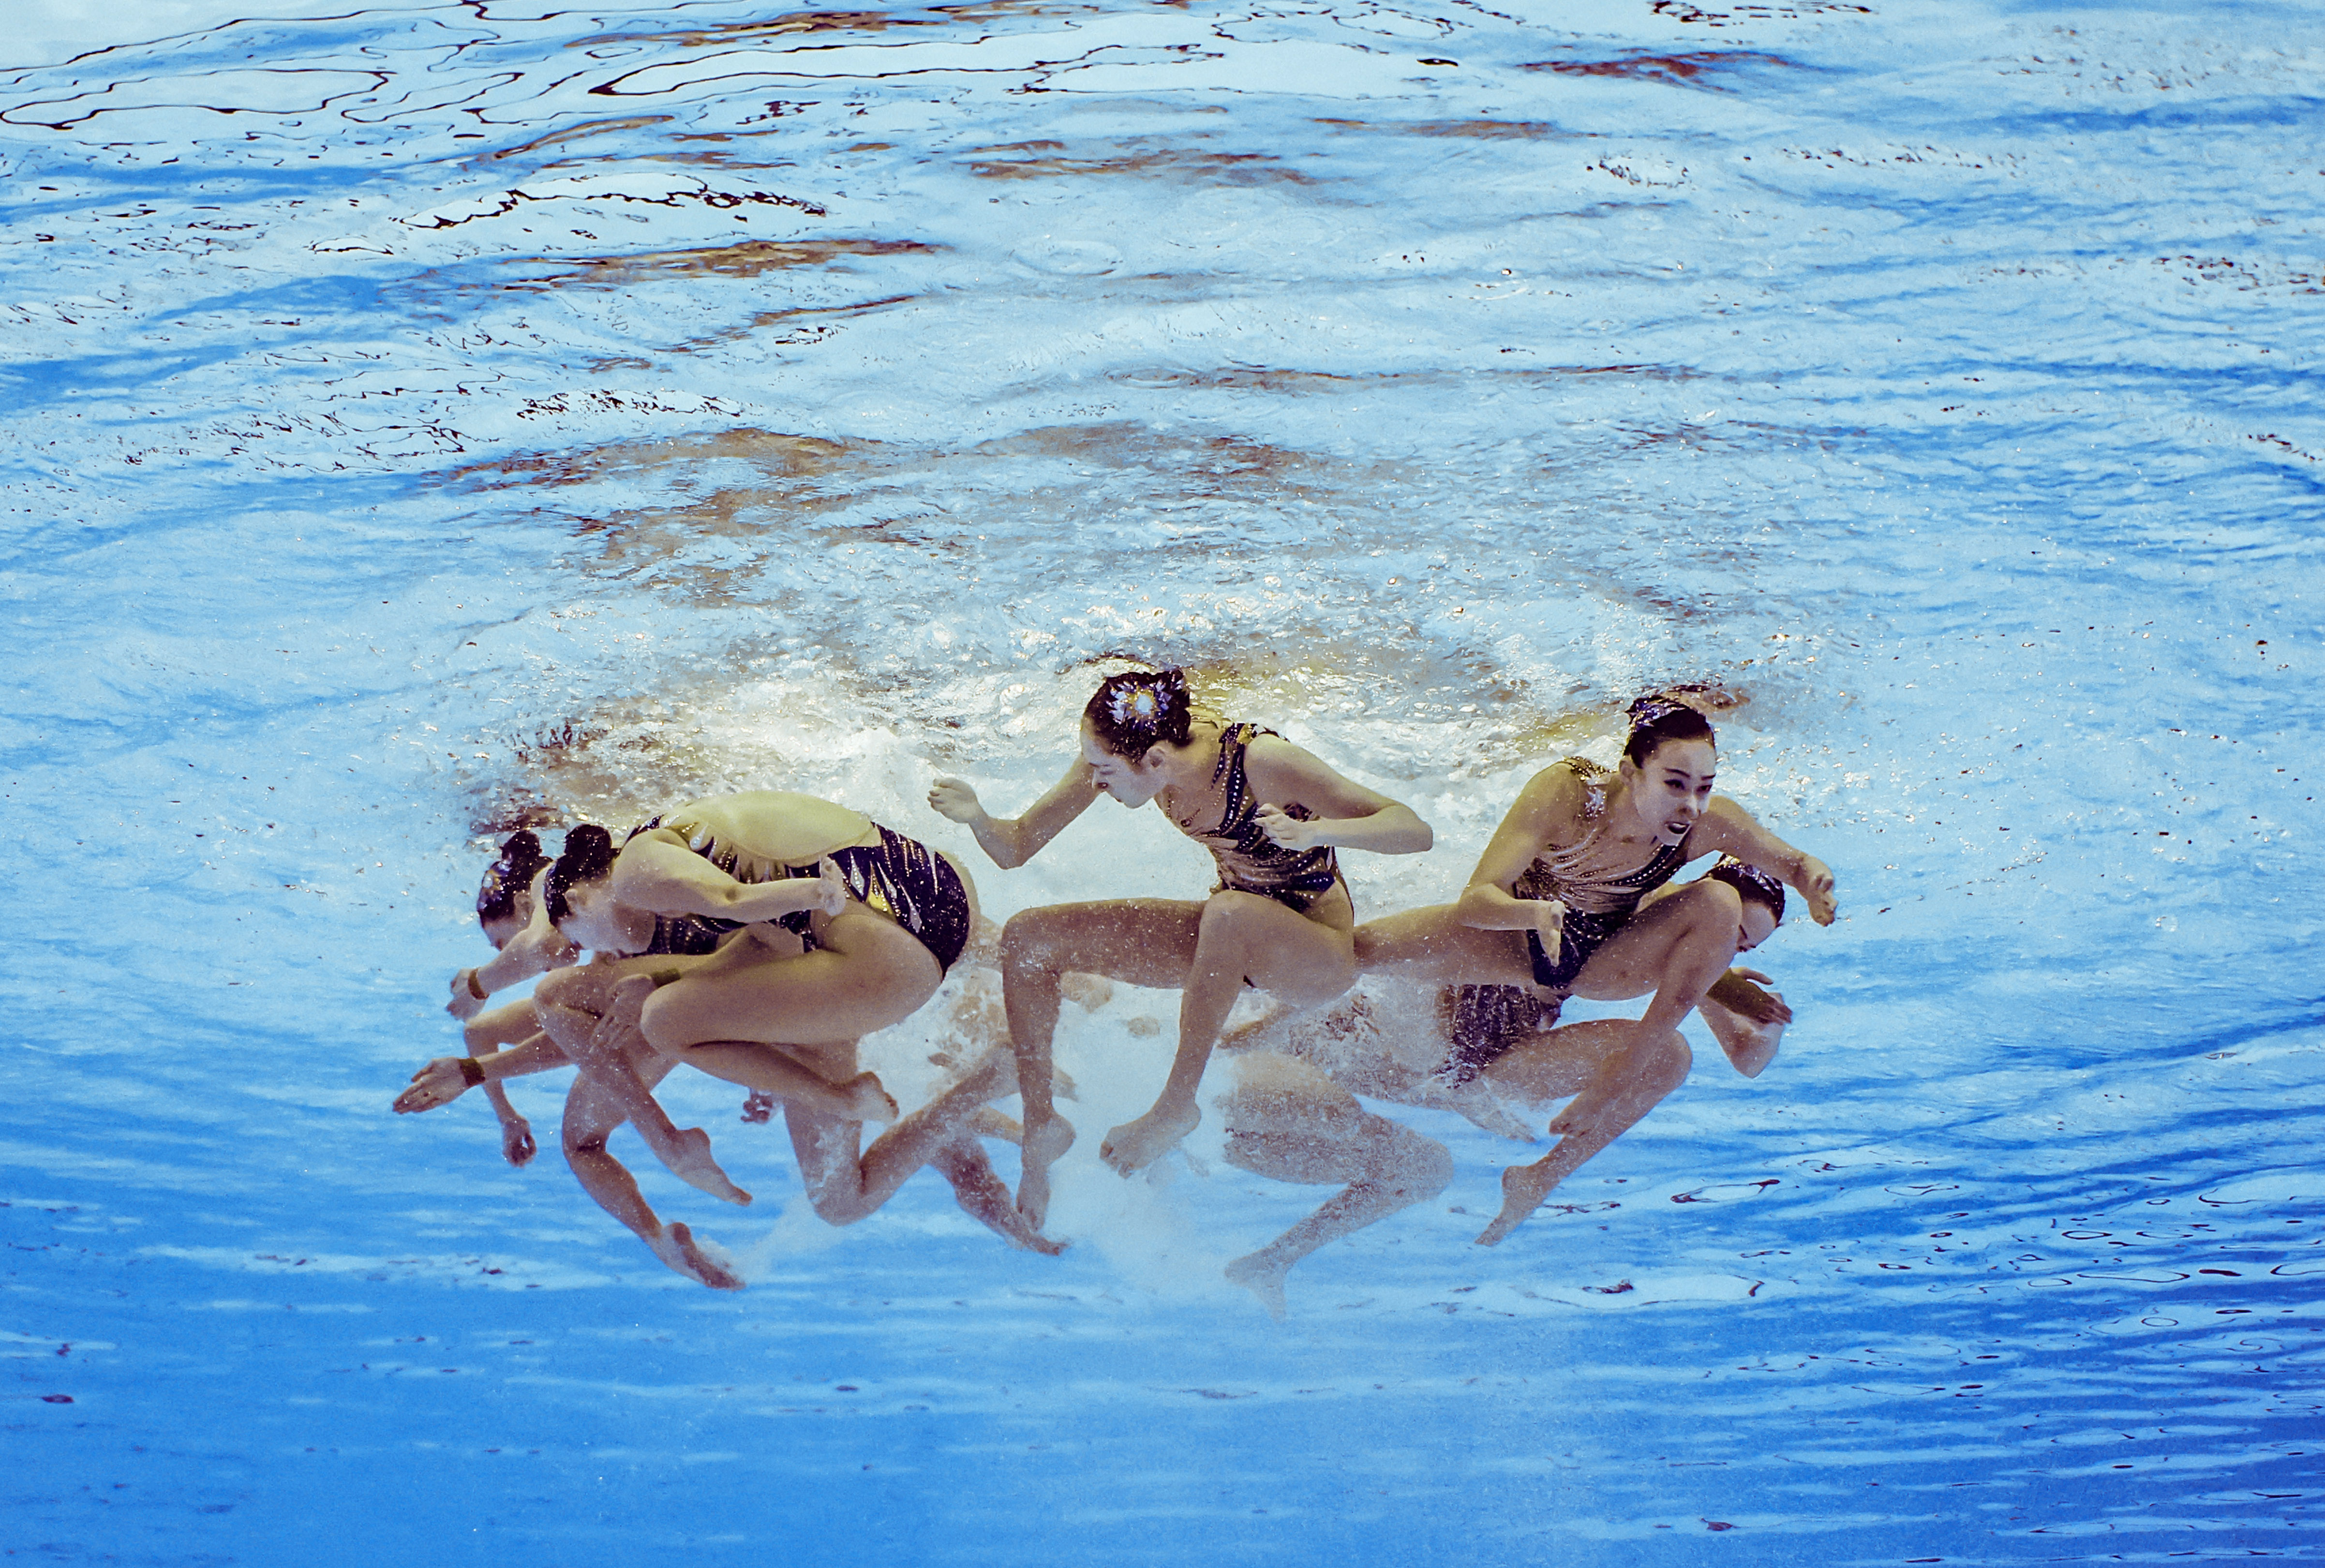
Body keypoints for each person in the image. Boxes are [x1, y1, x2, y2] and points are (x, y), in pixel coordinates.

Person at [928, 666, 1433, 1226]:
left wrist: (1318, 832)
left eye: (1103, 773)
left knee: (1228, 914)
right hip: (1231, 933)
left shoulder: (1261, 761)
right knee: (1029, 938)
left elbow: (1412, 829)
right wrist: (977, 818)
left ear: (1156, 762)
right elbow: (1016, 845)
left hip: (1314, 952)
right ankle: (1042, 1123)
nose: (1095, 782)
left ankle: (1175, 1107)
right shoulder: (1129, 747)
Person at [1342, 695, 1836, 1244]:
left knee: (1669, 1056)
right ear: (1631, 772)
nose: (1728, 952)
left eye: (1741, 947)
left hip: (1495, 1060)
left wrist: (1772, 999)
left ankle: (1537, 1179)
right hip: (1480, 978)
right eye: (1676, 784)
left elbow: (1747, 1056)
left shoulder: (1690, 963)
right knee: (1345, 957)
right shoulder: (1616, 848)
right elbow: (1476, 902)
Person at [1214, 1050, 1453, 1321]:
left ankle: (1273, 1261)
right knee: (1339, 1116)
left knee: (1427, 1167)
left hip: (1229, 1088)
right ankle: (1184, 1119)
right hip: (1220, 1064)